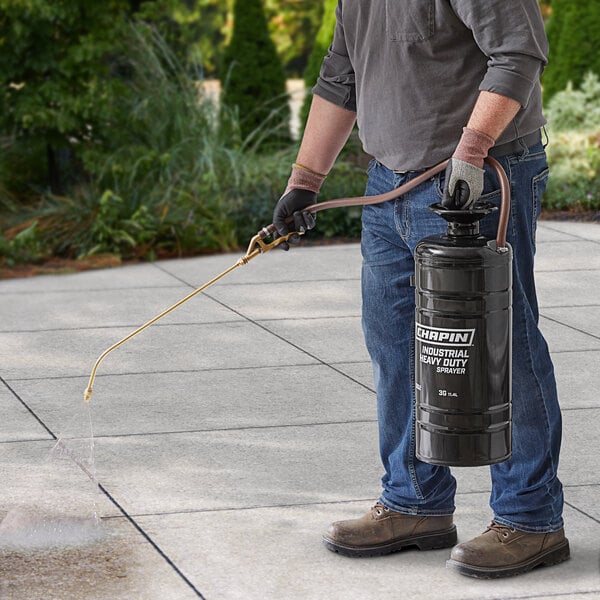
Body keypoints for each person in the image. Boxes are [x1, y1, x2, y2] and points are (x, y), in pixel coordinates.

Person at [272, 0, 570, 579]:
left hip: (478, 177)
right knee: (394, 343)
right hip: (390, 181)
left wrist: (472, 149)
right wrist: (304, 182)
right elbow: (342, 74)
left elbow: (518, 53)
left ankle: (531, 518)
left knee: (501, 346)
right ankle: (415, 502)